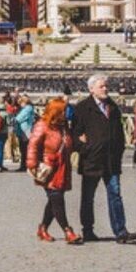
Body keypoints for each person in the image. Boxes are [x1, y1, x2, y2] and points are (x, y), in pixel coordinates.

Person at [71, 74, 136, 245]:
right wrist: (86, 149)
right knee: (88, 197)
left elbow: (119, 132)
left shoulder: (112, 107)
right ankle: (87, 230)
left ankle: (120, 231)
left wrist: (119, 150)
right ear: (91, 89)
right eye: (101, 86)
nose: (105, 89)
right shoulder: (82, 108)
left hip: (111, 160)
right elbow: (75, 135)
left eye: (106, 86)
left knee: (115, 195)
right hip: (92, 160)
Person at [26, 96, 80, 243]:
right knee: (57, 198)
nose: (66, 113)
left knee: (54, 200)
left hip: (62, 167)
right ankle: (68, 231)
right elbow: (33, 145)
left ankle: (43, 228)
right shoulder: (42, 125)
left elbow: (69, 144)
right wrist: (32, 164)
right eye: (63, 111)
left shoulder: (63, 126)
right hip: (48, 168)